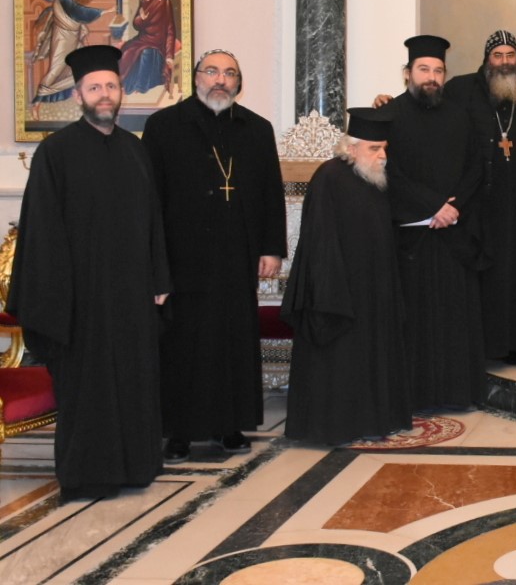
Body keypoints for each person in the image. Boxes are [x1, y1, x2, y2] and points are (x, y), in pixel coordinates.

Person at [8, 45, 171, 501]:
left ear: (121, 93)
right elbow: (41, 233)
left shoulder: (136, 152)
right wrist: (58, 299)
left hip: (133, 298)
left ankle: (136, 467)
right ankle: (87, 475)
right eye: (95, 87)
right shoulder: (55, 154)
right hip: (80, 301)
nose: (105, 94)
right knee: (88, 388)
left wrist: (160, 280)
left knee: (135, 382)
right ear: (78, 95)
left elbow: (154, 220)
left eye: (111, 86)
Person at [144, 49, 286, 463]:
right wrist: (154, 260)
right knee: (182, 343)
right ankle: (179, 433)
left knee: (232, 340)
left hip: (237, 255)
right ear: (196, 78)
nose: (220, 80)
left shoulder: (256, 129)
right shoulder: (165, 126)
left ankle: (231, 426)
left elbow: (270, 193)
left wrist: (271, 247)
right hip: (180, 256)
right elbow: (151, 198)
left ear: (239, 83)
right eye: (212, 71)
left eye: (229, 73)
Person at [283, 107, 412, 444]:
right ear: (351, 148)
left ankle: (372, 419)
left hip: (374, 287)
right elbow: (320, 241)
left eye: (384, 147)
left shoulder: (375, 178)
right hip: (337, 290)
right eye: (374, 148)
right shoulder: (329, 177)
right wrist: (332, 290)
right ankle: (336, 426)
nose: (383, 155)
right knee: (339, 361)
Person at [384, 34, 487, 409]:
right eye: (423, 69)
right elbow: (388, 172)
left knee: (453, 321)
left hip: (453, 236)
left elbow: (476, 166)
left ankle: (458, 395)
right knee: (415, 322)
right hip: (412, 238)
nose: (431, 77)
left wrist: (453, 207)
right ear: (407, 73)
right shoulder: (391, 115)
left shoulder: (460, 115)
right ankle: (414, 396)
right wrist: (432, 207)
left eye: (437, 70)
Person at [445, 30, 516, 364]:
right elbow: (432, 115)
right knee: (484, 272)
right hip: (479, 199)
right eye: (498, 55)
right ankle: (484, 346)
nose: (504, 62)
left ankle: (514, 345)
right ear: (487, 59)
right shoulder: (462, 89)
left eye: (510, 55)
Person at [31, 0, 103, 104]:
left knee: (75, 66)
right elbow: (80, 12)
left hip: (71, 38)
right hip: (62, 39)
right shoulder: (64, 0)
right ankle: (37, 100)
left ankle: (80, 98)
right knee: (56, 69)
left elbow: (76, 13)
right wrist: (101, 12)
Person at [118, 0, 177, 95]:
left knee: (145, 52)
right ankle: (125, 85)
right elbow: (136, 24)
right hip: (144, 37)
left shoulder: (165, 1)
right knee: (126, 49)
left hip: (157, 41)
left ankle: (141, 87)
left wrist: (169, 55)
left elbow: (170, 29)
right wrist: (141, 19)